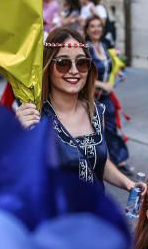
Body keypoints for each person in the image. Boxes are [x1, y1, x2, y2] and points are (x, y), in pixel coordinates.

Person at [15, 28, 137, 192]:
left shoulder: (96, 111)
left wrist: (129, 184)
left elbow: (99, 161)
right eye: (63, 63)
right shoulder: (36, 117)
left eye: (81, 63)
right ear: (48, 67)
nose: (74, 71)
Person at [86, 14, 132, 173]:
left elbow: (110, 66)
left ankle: (117, 162)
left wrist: (117, 72)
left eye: (99, 26)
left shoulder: (104, 46)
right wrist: (102, 84)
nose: (96, 29)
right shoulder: (86, 48)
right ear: (87, 29)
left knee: (111, 128)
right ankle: (92, 163)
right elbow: (82, 74)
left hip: (105, 97)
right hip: (90, 96)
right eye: (92, 26)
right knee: (92, 130)